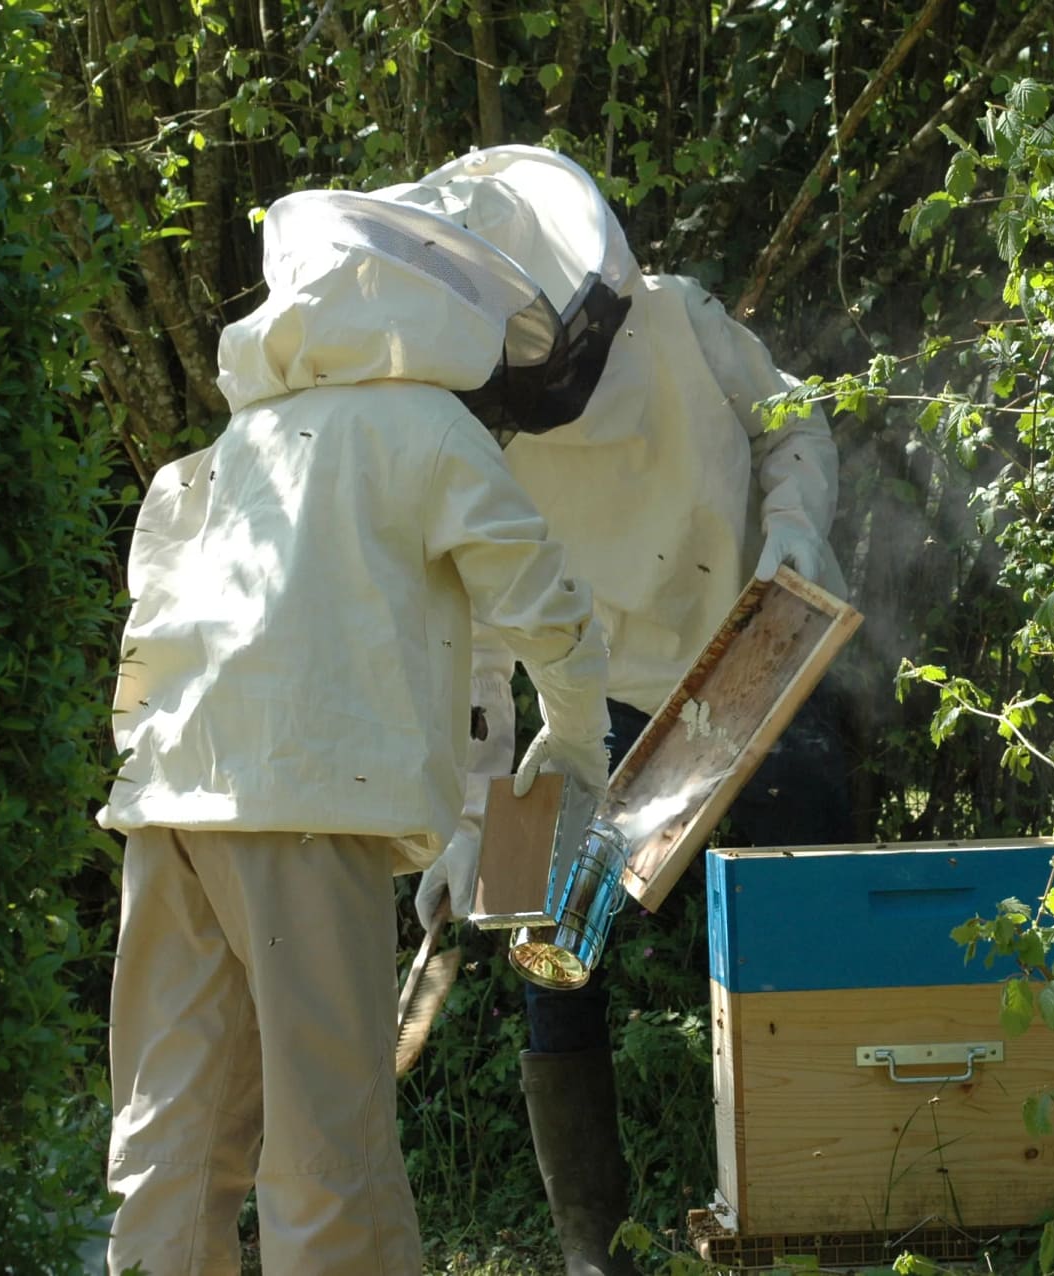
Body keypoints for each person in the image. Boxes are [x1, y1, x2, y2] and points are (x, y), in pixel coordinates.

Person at [97, 186, 615, 1276]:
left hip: (168, 813)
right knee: (331, 1157)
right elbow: (542, 606)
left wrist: (461, 823)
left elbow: (148, 633)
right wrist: (574, 744)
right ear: (430, 307)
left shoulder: (240, 444)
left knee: (173, 1143)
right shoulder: (418, 426)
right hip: (299, 818)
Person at [387, 146, 852, 1276]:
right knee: (550, 947)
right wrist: (462, 829)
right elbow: (477, 651)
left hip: (746, 659)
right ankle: (592, 1250)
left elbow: (794, 422)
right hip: (578, 701)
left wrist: (792, 527)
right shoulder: (467, 431)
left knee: (808, 891)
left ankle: (824, 1191)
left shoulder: (682, 320)